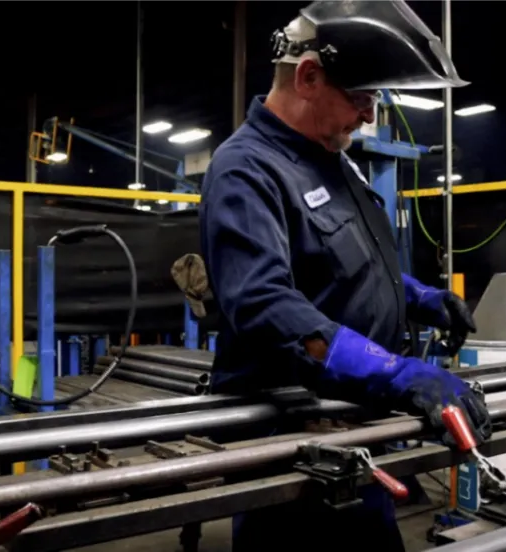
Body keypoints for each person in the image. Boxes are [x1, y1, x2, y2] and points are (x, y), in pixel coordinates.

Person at [199, 1, 491, 549]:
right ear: (308, 77)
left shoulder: (334, 160)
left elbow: (348, 268)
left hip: (358, 430)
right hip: (294, 454)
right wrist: (397, 374)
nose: (369, 116)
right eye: (361, 98)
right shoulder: (245, 169)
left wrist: (420, 297)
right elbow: (267, 309)